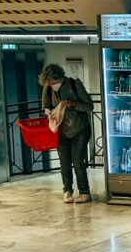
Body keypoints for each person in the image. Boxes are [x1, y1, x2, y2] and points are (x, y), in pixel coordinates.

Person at [39, 63, 94, 203]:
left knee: (77, 160)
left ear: (59, 78)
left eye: (54, 82)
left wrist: (73, 104)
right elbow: (45, 106)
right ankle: (67, 191)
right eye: (50, 83)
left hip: (80, 128)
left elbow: (89, 106)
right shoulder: (48, 88)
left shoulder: (75, 85)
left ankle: (84, 192)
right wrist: (49, 114)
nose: (52, 85)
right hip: (61, 130)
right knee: (64, 161)